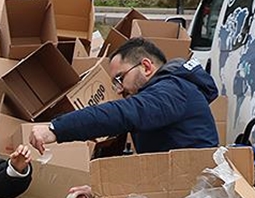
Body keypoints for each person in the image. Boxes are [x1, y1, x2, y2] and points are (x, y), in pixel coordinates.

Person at [28, 37, 219, 155]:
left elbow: (122, 113)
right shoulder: (171, 90)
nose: (119, 89)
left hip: (194, 196)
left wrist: (56, 129)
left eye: (120, 78)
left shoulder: (172, 91)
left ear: (146, 67)